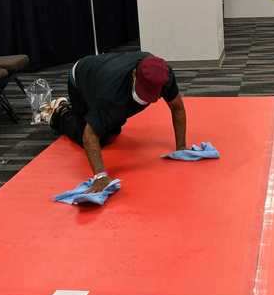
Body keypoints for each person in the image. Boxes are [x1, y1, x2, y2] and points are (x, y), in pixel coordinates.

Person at [43, 52, 187, 193]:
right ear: (134, 75)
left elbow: (177, 107)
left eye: (152, 95)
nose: (147, 99)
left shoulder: (162, 74)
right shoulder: (110, 93)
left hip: (104, 71)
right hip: (81, 79)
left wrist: (181, 148)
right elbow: (90, 136)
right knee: (100, 137)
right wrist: (100, 176)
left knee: (112, 129)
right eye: (143, 93)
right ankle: (59, 113)